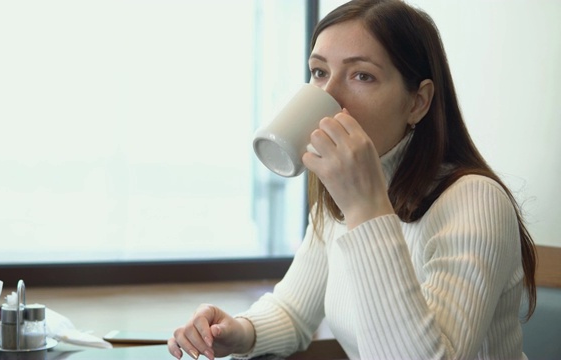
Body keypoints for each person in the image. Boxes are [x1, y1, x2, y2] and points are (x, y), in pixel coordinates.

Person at [168, 0, 537, 359]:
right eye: (319, 72)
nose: (329, 96)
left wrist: (366, 207)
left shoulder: (474, 200)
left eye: (362, 75)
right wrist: (239, 333)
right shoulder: (337, 200)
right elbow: (293, 310)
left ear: (417, 103)